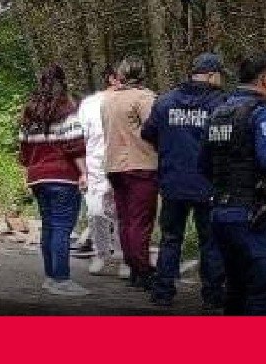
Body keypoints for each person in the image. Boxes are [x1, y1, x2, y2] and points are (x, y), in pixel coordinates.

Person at [202, 51, 266, 315]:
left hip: (220, 211)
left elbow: (203, 164)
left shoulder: (219, 112)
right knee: (264, 289)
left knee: (236, 290)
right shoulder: (264, 114)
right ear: (265, 79)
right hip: (253, 214)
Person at [141, 52, 228, 309]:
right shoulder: (220, 104)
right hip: (208, 183)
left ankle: (163, 292)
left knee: (170, 238)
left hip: (173, 181)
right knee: (210, 241)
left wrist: (168, 147)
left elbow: (148, 132)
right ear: (212, 75)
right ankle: (213, 297)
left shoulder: (165, 101)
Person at [17, 64, 90, 296]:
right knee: (61, 228)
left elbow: (24, 149)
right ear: (63, 82)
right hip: (63, 178)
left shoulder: (29, 113)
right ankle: (61, 279)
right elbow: (75, 145)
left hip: (38, 177)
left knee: (48, 226)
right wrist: (84, 173)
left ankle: (50, 276)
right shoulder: (66, 109)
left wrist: (27, 176)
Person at [102, 56, 159, 289]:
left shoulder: (108, 99)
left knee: (125, 219)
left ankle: (133, 265)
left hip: (114, 164)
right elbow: (153, 129)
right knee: (141, 220)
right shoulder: (144, 98)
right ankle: (143, 269)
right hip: (140, 163)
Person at [76, 65, 125, 277]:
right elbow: (80, 138)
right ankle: (101, 253)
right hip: (95, 166)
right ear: (112, 79)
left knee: (123, 214)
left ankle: (125, 257)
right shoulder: (89, 104)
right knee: (96, 212)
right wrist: (82, 171)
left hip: (123, 164)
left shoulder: (133, 101)